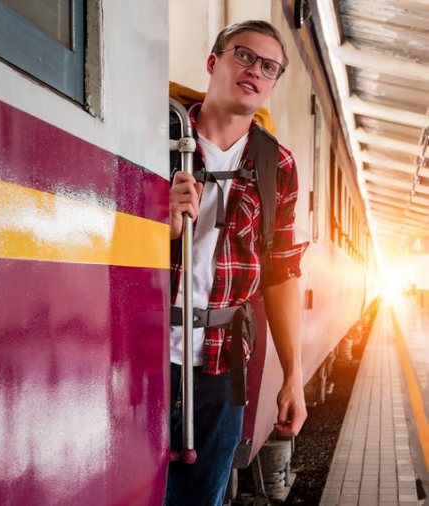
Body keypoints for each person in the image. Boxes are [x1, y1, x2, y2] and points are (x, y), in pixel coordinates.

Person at [166, 20, 309, 506]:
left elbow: (282, 272)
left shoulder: (278, 165)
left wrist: (294, 375)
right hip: (144, 357)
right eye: (244, 56)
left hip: (224, 366)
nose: (255, 71)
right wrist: (157, 226)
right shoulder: (158, 134)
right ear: (213, 62)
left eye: (269, 67)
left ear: (272, 84)